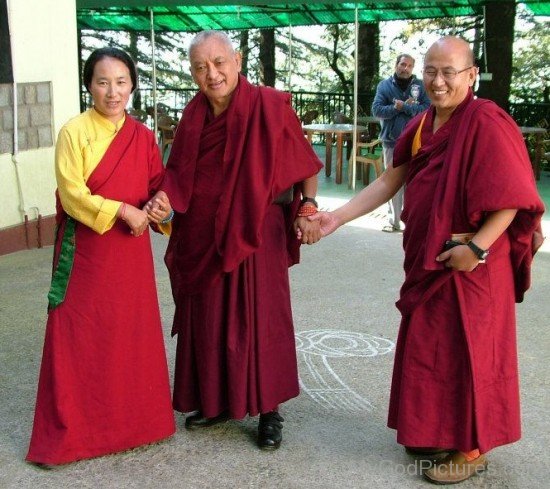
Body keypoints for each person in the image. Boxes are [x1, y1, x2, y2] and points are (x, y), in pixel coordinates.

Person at [310, 36, 544, 484]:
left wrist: (475, 250)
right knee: (431, 347)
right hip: (431, 257)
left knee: (470, 352)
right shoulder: (421, 125)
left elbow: (512, 198)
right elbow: (389, 181)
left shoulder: (487, 122)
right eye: (431, 72)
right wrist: (335, 218)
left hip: (473, 264)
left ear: (471, 76)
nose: (437, 82)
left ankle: (472, 447)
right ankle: (434, 428)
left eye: (448, 72)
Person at [145, 31, 323, 451]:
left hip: (259, 230)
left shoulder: (269, 105)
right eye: (201, 67)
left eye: (220, 62)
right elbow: (180, 178)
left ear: (237, 60)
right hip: (204, 231)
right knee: (209, 318)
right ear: (192, 72)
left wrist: (309, 206)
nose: (212, 74)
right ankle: (218, 400)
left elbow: (304, 161)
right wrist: (163, 206)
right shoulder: (192, 117)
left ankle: (269, 410)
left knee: (261, 317)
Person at [26, 47, 176, 466]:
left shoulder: (143, 136)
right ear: (88, 85)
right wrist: (119, 209)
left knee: (128, 333)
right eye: (103, 82)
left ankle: (134, 425)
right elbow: (72, 194)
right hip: (88, 250)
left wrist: (160, 206)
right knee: (79, 335)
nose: (113, 92)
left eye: (122, 82)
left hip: (130, 252)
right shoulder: (74, 132)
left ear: (132, 85)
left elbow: (156, 185)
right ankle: (75, 433)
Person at [371, 54, 430, 233]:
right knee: (392, 183)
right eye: (403, 64)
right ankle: (394, 221)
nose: (406, 68)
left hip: (417, 142)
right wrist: (394, 108)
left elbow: (427, 110)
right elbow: (377, 110)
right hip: (392, 141)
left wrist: (404, 107)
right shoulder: (385, 85)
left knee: (414, 183)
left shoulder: (420, 86)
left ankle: (411, 222)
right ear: (396, 65)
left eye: (409, 66)